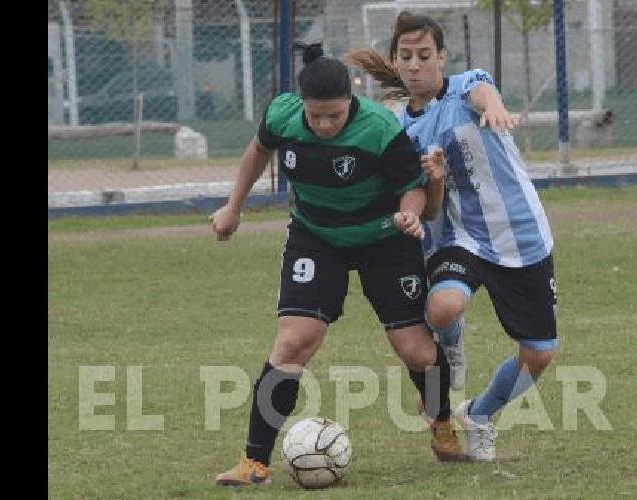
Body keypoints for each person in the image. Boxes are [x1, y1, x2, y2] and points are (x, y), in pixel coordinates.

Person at [209, 41, 463, 487]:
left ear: (351, 103)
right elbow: (256, 151)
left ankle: (441, 421)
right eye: (316, 116)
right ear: (303, 105)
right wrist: (233, 207)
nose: (325, 124)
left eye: (335, 116)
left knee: (417, 351)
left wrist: (408, 211)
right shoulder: (283, 115)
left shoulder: (380, 128)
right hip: (316, 236)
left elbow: (414, 187)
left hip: (385, 239)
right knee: (293, 343)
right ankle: (254, 462)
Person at [347, 11, 559, 462]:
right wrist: (435, 179)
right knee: (443, 309)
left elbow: (483, 94)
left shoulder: (467, 87)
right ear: (396, 61)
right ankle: (452, 349)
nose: (416, 64)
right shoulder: (399, 126)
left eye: (425, 55)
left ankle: (480, 415)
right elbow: (433, 204)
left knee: (539, 354)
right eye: (406, 57)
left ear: (442, 57)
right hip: (459, 235)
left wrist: (495, 107)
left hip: (521, 234)